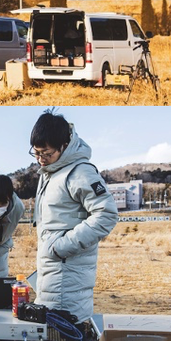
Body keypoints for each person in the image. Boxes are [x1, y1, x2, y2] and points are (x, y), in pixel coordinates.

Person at [30, 111, 118, 323]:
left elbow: (106, 214)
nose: (41, 159)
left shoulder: (80, 172)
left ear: (65, 145)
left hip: (68, 274)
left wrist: (61, 247)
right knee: (55, 336)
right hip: (52, 271)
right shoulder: (52, 172)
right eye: (36, 153)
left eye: (47, 153)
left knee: (70, 335)